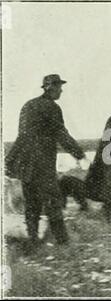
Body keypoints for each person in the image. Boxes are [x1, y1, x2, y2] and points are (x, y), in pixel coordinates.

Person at [5, 74, 88, 247]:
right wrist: (80, 155)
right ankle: (63, 243)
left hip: (26, 164)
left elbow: (22, 136)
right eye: (59, 87)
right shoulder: (52, 107)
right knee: (53, 202)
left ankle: (33, 242)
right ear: (50, 88)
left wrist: (12, 161)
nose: (61, 90)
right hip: (42, 164)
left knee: (31, 205)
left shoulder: (27, 105)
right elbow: (62, 135)